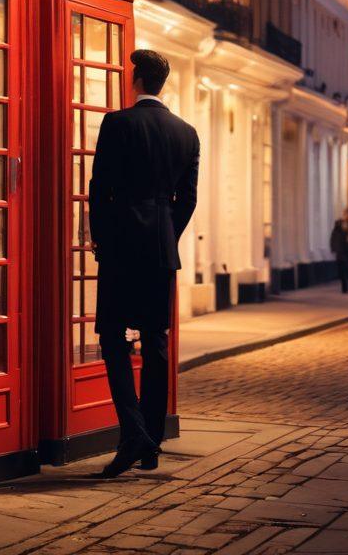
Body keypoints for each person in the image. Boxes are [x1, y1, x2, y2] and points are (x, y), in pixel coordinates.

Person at [88, 49, 199, 478]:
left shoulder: (117, 123)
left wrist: (100, 237)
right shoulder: (187, 133)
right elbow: (186, 199)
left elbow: (100, 187)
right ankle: (150, 444)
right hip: (159, 250)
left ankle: (132, 431)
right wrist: (165, 233)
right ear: (162, 84)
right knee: (155, 344)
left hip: (119, 246)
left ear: (136, 81)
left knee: (113, 340)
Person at [330, 208, 348, 294]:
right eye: (345, 214)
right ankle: (345, 286)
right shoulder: (339, 224)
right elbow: (334, 236)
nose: (346, 216)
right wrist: (333, 247)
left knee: (347, 267)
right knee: (342, 269)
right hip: (341, 250)